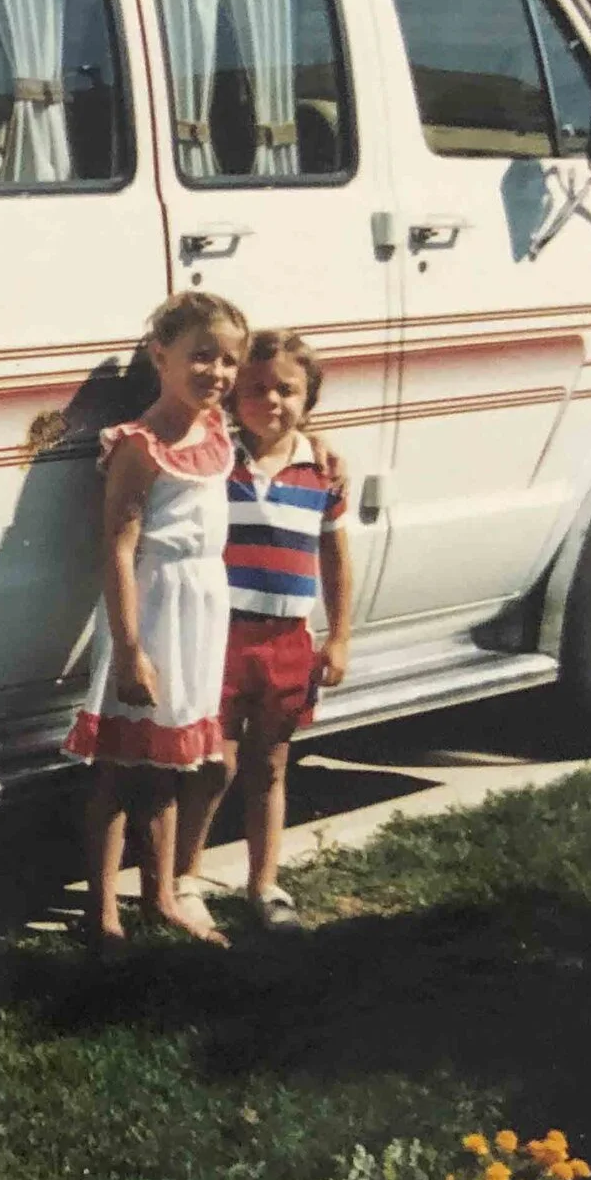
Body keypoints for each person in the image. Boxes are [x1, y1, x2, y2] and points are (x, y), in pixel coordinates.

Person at [65, 289, 247, 953]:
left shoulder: (218, 429)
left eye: (229, 361)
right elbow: (118, 546)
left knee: (173, 761)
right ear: (159, 355)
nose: (217, 373)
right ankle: (103, 910)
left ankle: (162, 894)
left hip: (202, 603)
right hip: (152, 607)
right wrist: (133, 648)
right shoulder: (140, 445)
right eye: (201, 356)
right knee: (118, 764)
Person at [187, 328, 354, 930]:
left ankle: (264, 884)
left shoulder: (321, 473)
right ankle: (186, 879)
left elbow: (335, 557)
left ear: (309, 399)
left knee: (273, 764)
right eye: (256, 389)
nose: (272, 401)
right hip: (224, 635)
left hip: (289, 639)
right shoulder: (216, 458)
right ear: (234, 397)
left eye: (287, 390)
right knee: (215, 764)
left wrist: (337, 636)